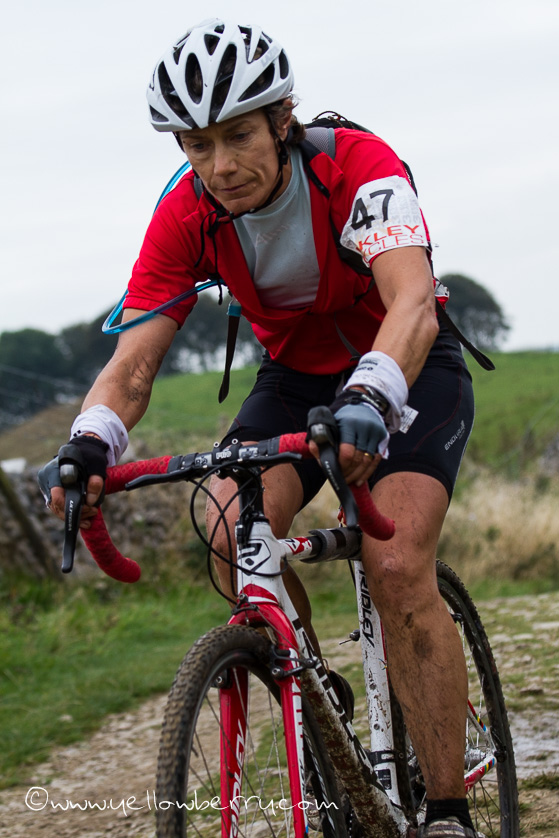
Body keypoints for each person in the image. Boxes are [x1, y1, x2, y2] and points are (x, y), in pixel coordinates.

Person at [42, 19, 477, 838]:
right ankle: (313, 690)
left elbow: (413, 301)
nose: (220, 166)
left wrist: (373, 397)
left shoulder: (357, 166)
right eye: (196, 145)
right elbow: (133, 365)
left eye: (237, 135)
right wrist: (91, 438)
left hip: (404, 361)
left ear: (282, 119)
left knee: (392, 561)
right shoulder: (186, 211)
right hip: (294, 378)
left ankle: (448, 812)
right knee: (223, 525)